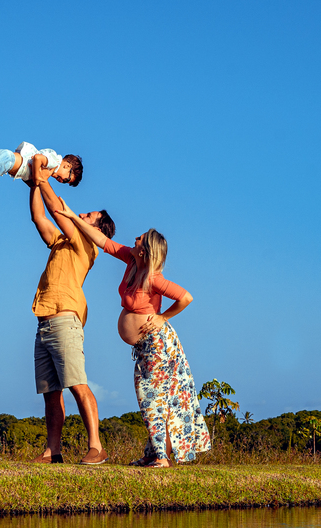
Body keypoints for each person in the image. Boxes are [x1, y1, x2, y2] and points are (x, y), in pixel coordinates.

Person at [48, 196, 211, 467]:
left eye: (139, 238)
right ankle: (155, 454)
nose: (134, 238)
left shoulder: (154, 278)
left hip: (158, 345)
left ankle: (161, 457)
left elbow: (186, 297)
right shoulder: (130, 260)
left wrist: (162, 317)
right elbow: (102, 242)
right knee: (149, 396)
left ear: (146, 250)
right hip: (145, 348)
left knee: (152, 396)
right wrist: (74, 217)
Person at [26, 168, 114, 465]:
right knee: (50, 393)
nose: (83, 215)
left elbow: (57, 208)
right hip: (44, 318)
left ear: (98, 229)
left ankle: (96, 447)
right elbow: (40, 218)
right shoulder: (64, 240)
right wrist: (33, 185)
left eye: (89, 215)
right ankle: (54, 451)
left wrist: (41, 176)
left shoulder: (86, 244)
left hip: (65, 317)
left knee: (77, 383)